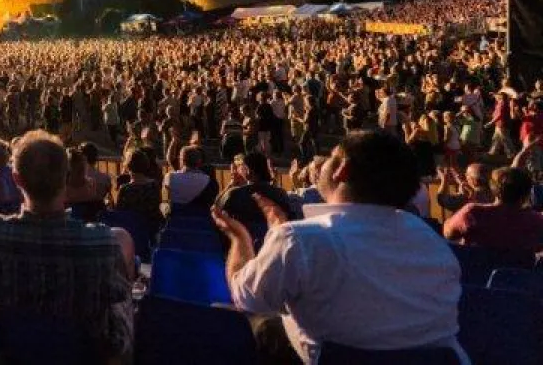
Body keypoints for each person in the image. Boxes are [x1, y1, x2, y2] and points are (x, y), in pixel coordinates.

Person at [212, 130, 467, 364]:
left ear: (341, 169)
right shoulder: (430, 238)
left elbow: (245, 296)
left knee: (240, 318)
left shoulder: (299, 240)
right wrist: (280, 233)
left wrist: (240, 240)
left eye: (332, 157)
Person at [0, 131, 135, 362]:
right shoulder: (100, 243)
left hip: (14, 355)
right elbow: (119, 339)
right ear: (66, 176)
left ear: (17, 179)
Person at [443, 166, 543, 253]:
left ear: (493, 189)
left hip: (477, 272)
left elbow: (448, 233)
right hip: (520, 273)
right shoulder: (536, 220)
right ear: (527, 194)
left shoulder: (473, 212)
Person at [216, 151, 298, 227]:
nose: (237, 170)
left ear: (248, 171)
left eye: (240, 167)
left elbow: (216, 209)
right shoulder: (281, 194)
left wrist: (231, 184)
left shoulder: (235, 194)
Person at [116, 147, 163, 227]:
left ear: (128, 166)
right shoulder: (154, 185)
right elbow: (156, 205)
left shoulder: (124, 189)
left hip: (132, 227)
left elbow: (120, 211)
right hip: (151, 227)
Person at [162, 145, 217, 211]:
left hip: (177, 217)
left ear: (182, 160)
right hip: (200, 217)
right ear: (199, 161)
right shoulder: (207, 179)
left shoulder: (170, 177)